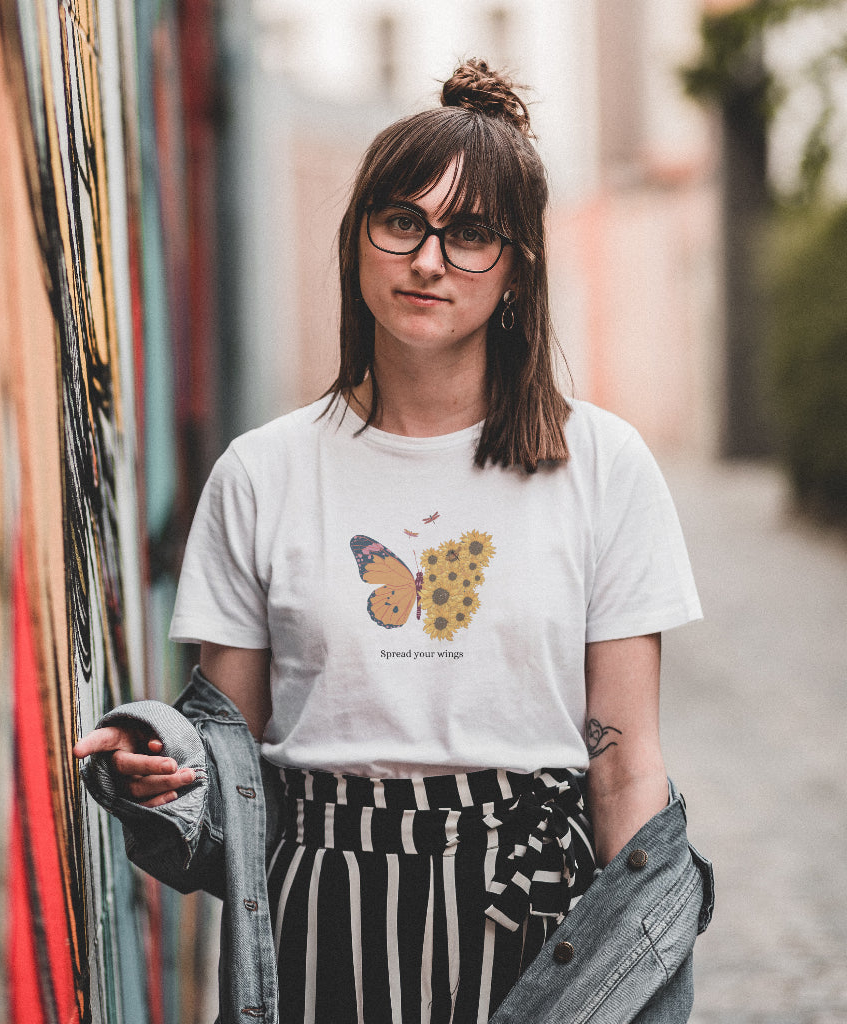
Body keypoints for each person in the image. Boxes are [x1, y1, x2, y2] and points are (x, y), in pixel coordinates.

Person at [74, 59, 709, 1024]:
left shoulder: (604, 466)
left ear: (518, 268)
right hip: (321, 914)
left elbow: (624, 766)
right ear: (359, 238)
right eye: (403, 222)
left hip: (538, 918)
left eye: (472, 235)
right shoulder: (263, 474)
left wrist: (642, 974)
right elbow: (227, 751)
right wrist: (159, 760)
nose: (428, 260)